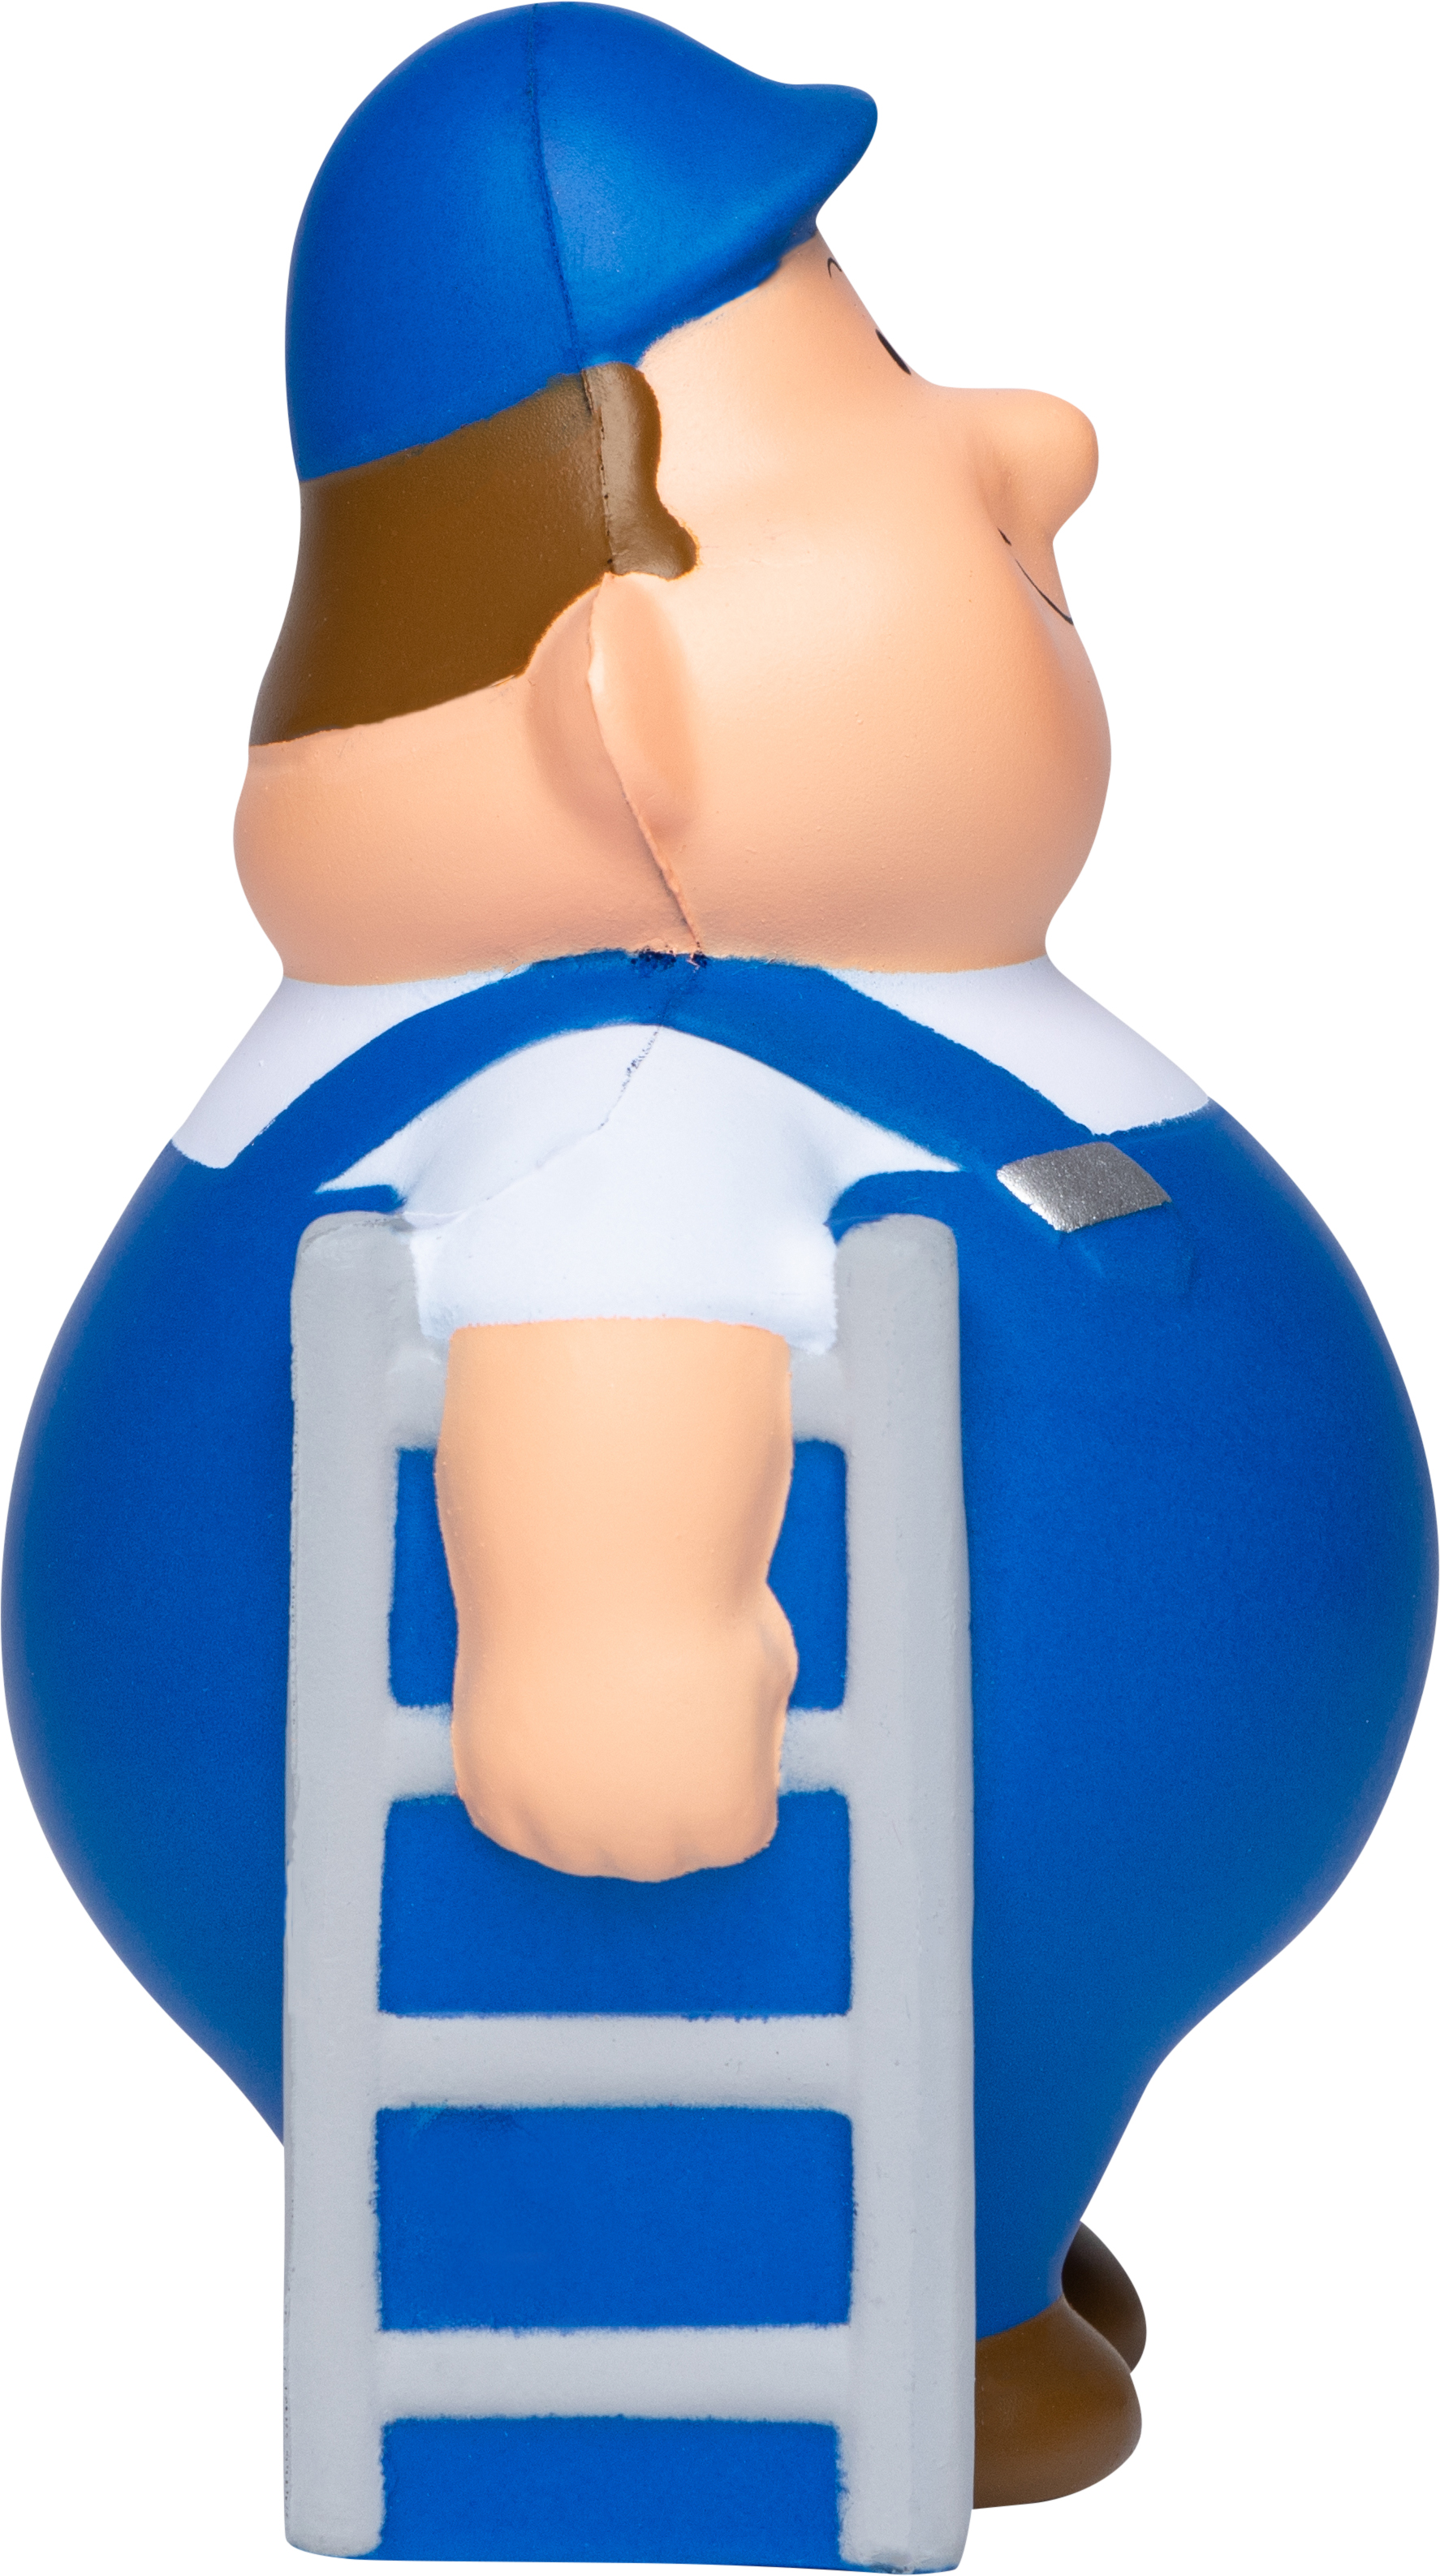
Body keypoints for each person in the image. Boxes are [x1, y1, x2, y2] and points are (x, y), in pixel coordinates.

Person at [6, 0, 1434, 2526]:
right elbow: (598, 1322)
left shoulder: (801, 994)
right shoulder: (618, 1079)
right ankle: (739, 2296)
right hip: (682, 1981)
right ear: (631, 714)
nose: (1037, 445)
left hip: (922, 2001)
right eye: (871, 393)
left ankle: (976, 2225)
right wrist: (611, 1627)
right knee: (679, 1971)